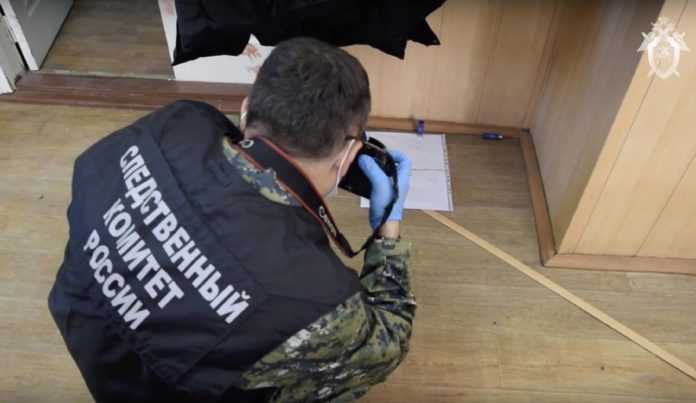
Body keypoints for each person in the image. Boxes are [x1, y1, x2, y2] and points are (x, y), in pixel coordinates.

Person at [48, 37, 415, 403]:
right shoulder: (315, 300)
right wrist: (388, 236)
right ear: (349, 154)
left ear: (245, 109)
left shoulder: (177, 122)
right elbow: (388, 343)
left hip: (93, 340)